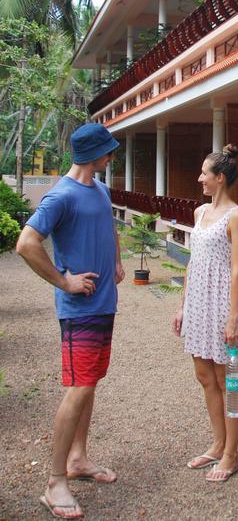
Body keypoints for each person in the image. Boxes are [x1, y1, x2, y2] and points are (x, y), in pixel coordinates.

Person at [16, 122, 124, 519]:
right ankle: (54, 482)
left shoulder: (99, 188)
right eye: (109, 151)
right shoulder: (60, 196)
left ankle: (78, 459)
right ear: (94, 154)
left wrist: (115, 260)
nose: (113, 156)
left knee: (89, 383)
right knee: (79, 387)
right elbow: (26, 244)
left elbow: (107, 223)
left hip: (103, 304)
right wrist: (65, 281)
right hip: (79, 311)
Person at [173, 143, 238, 482]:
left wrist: (233, 318)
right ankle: (217, 444)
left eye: (204, 173)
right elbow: (193, 261)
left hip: (223, 306)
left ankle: (232, 454)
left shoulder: (237, 216)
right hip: (199, 305)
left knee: (228, 381)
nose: (199, 178)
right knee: (205, 377)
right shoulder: (199, 213)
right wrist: (182, 305)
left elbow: (236, 270)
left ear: (219, 177)